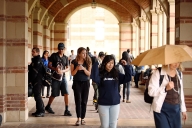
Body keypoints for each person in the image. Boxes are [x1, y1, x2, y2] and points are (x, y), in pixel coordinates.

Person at [91, 55, 132, 128]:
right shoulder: (100, 74)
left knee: (113, 125)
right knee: (104, 126)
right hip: (103, 104)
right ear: (104, 63)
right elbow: (94, 77)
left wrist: (126, 66)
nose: (110, 65)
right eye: (108, 63)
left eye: (112, 63)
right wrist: (96, 63)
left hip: (115, 104)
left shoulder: (116, 74)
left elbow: (128, 78)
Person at [148, 63, 187, 128]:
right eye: (174, 61)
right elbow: (151, 92)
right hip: (162, 109)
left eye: (178, 61)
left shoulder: (179, 74)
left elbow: (181, 92)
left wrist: (183, 110)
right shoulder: (158, 73)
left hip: (176, 109)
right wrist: (165, 88)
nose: (176, 64)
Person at [45, 42, 72, 116]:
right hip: (55, 78)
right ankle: (48, 106)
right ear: (58, 49)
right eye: (60, 49)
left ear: (64, 49)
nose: (61, 50)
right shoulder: (54, 55)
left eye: (62, 49)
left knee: (66, 93)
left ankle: (66, 110)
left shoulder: (66, 58)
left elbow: (68, 68)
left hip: (63, 77)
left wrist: (62, 71)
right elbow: (49, 65)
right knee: (54, 94)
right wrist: (54, 68)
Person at [71, 47, 92, 126]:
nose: (85, 55)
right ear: (79, 53)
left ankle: (83, 118)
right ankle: (78, 118)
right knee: (78, 101)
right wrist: (76, 69)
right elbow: (72, 73)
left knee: (84, 101)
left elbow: (89, 74)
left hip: (86, 83)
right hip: (77, 83)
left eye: (85, 53)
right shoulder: (74, 62)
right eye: (83, 53)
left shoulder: (88, 61)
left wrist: (83, 69)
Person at [28, 47, 45, 117]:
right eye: (32, 51)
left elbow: (34, 72)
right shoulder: (35, 60)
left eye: (34, 52)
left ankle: (41, 111)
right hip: (36, 81)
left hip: (38, 81)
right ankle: (38, 110)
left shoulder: (37, 60)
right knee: (36, 96)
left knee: (37, 96)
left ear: (38, 53)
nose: (32, 53)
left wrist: (29, 81)